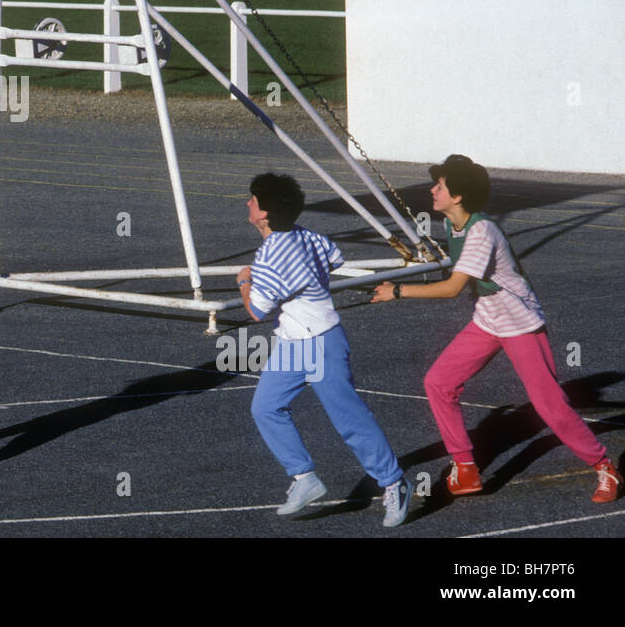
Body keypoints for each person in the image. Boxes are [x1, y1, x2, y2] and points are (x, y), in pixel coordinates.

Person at [372, 154, 620, 503]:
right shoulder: (452, 225)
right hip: (488, 318)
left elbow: (452, 288)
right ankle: (466, 468)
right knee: (438, 382)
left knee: (549, 405)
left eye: (439, 186)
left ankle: (604, 465)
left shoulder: (481, 231)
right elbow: (461, 272)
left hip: (519, 322)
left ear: (457, 197)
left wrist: (397, 291)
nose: (432, 189)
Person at [238, 172, 410, 527]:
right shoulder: (308, 236)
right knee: (266, 407)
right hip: (295, 340)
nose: (248, 203)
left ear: (266, 213)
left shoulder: (268, 257)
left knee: (349, 419)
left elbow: (256, 311)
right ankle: (304, 478)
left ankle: (395, 483)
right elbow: (333, 258)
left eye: (253, 199)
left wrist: (244, 279)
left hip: (320, 342)